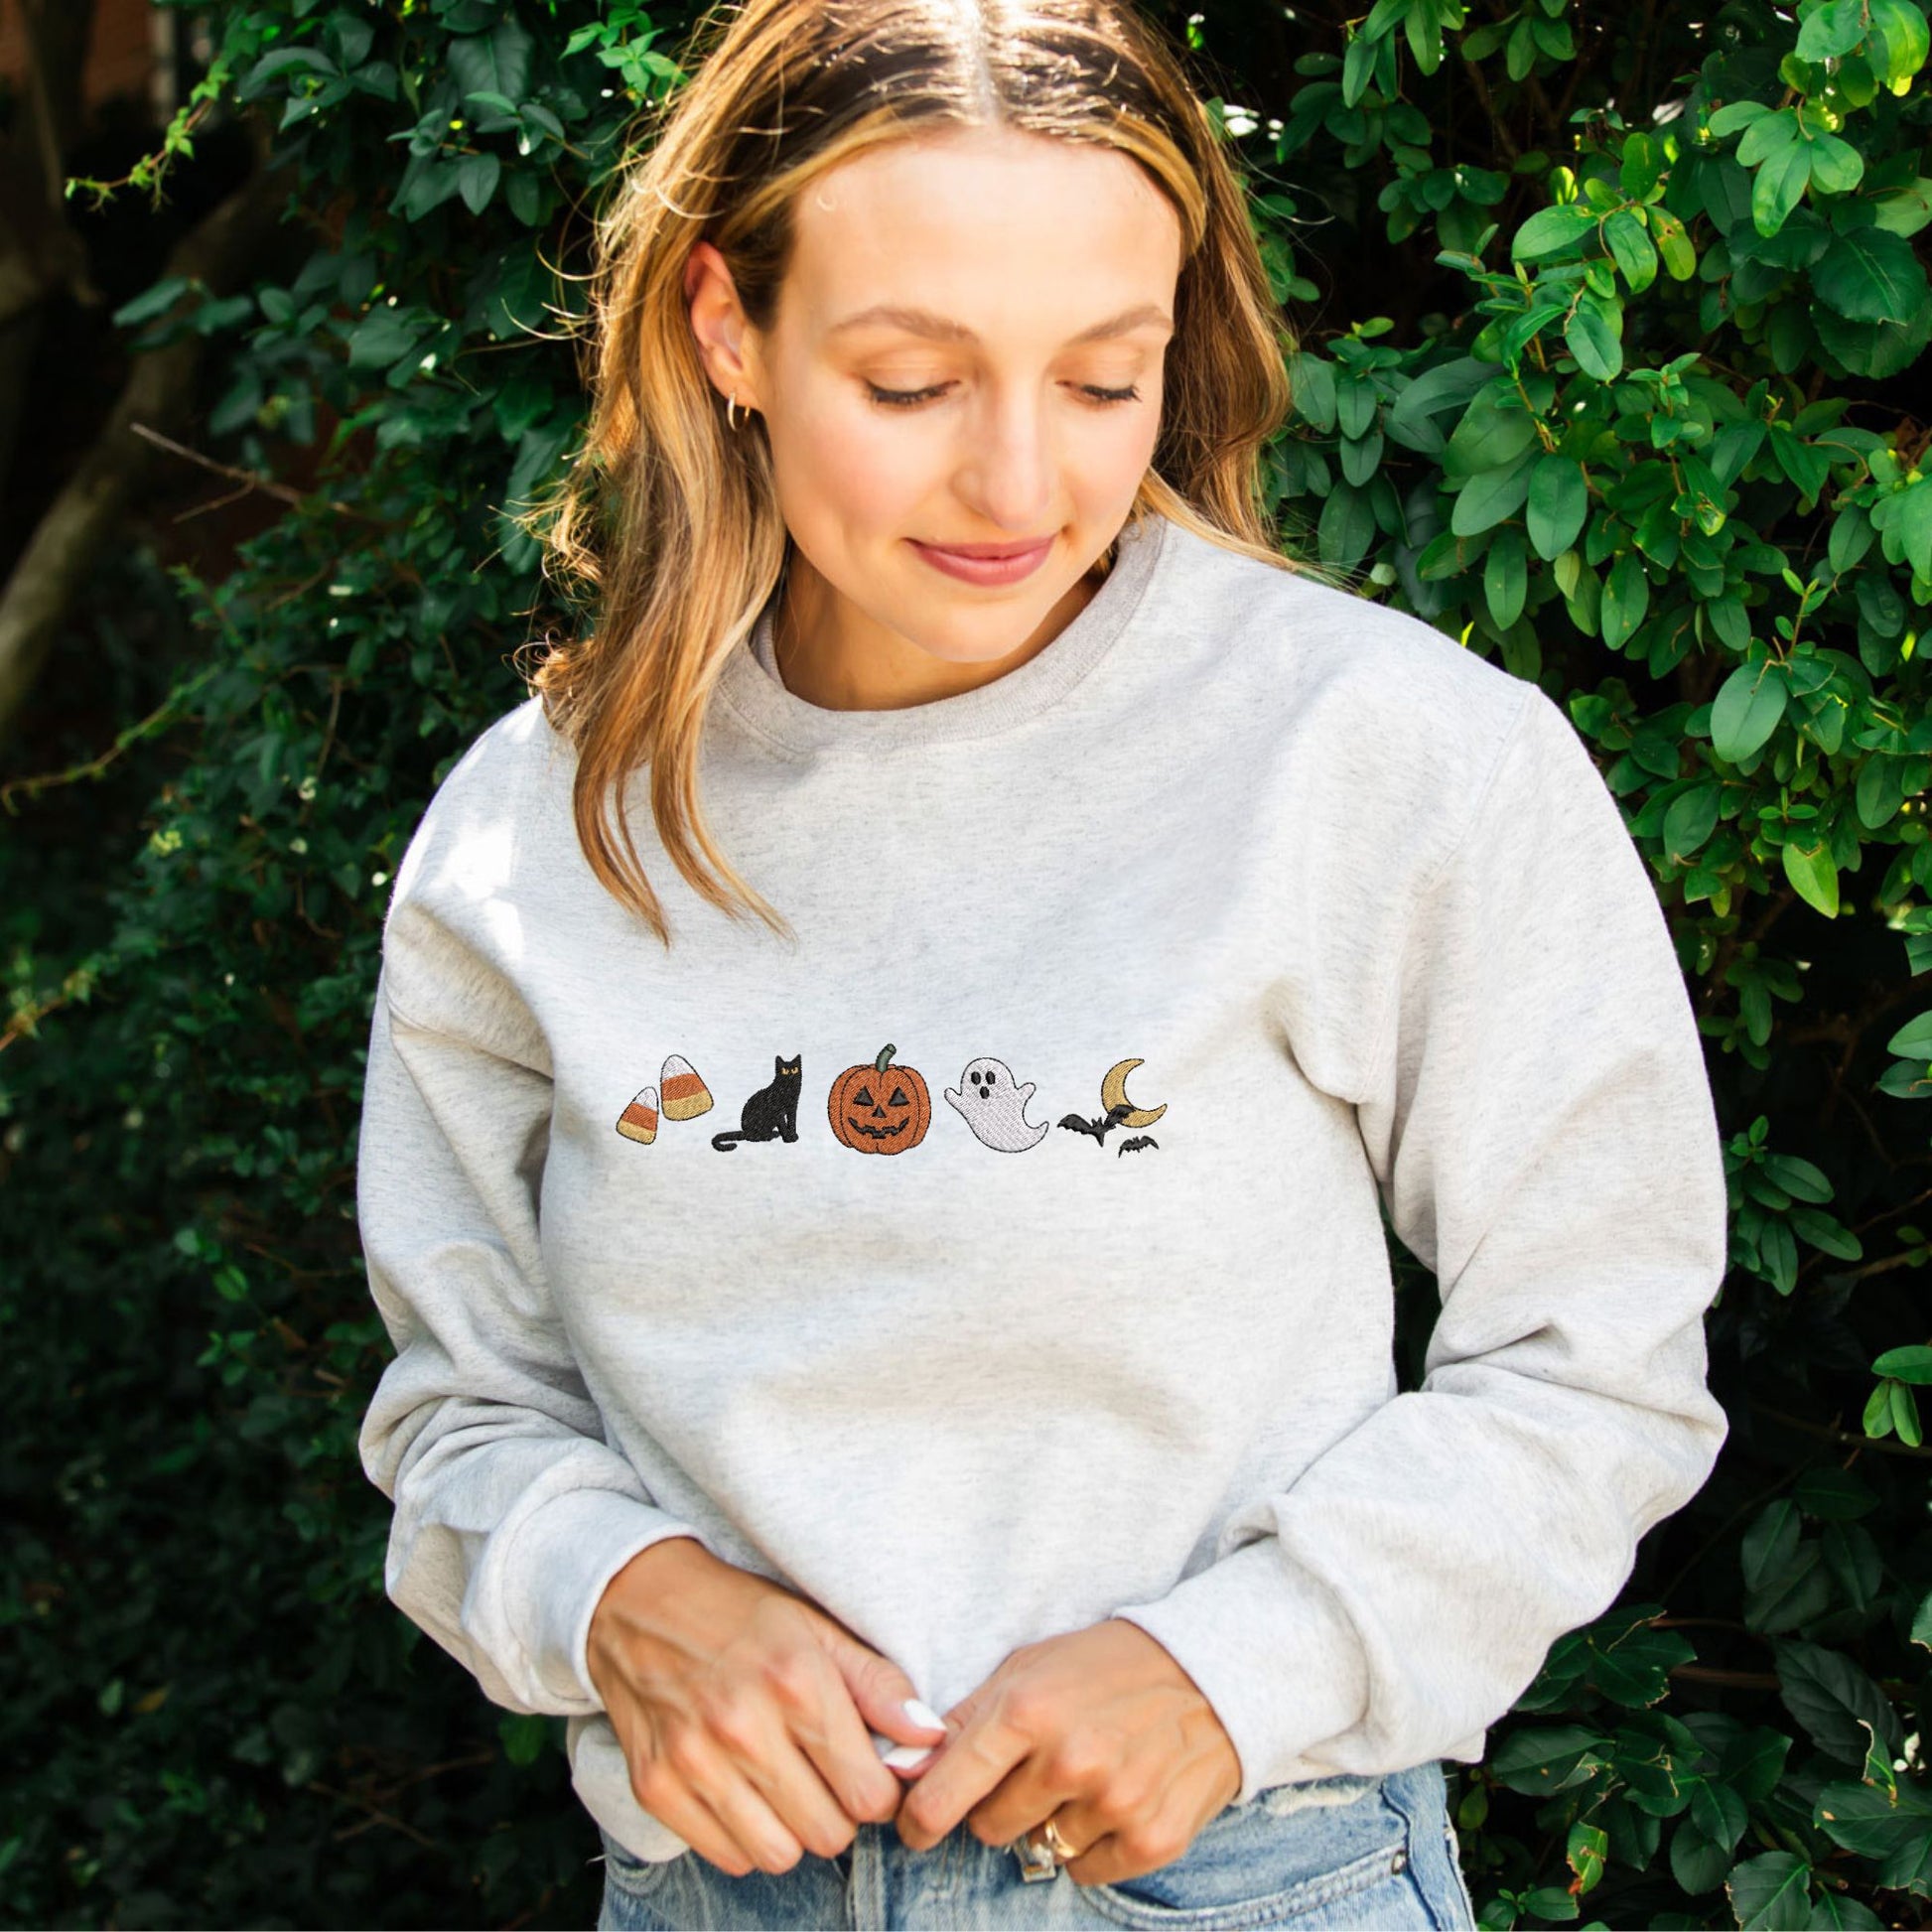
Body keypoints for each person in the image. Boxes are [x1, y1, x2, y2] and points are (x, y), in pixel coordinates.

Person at [351, 0, 1732, 1926]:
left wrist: (1238, 1664)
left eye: (1101, 379)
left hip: (1238, 1874)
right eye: (913, 381)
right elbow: (462, 1410)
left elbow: (1601, 1363)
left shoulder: (1383, 758)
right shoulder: (535, 830)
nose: (1017, 484)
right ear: (725, 326)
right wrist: (616, 1592)